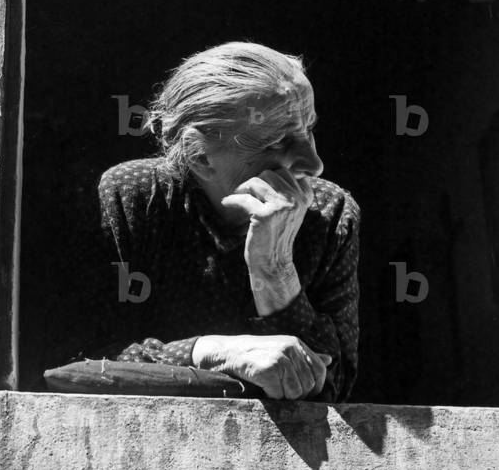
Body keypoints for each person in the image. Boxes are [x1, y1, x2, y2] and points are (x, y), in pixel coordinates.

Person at [61, 40, 360, 402]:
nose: (314, 164)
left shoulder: (328, 212)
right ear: (199, 156)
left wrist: (274, 270)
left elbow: (334, 385)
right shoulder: (130, 198)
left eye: (308, 130)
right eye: (277, 142)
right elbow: (81, 365)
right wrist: (216, 353)